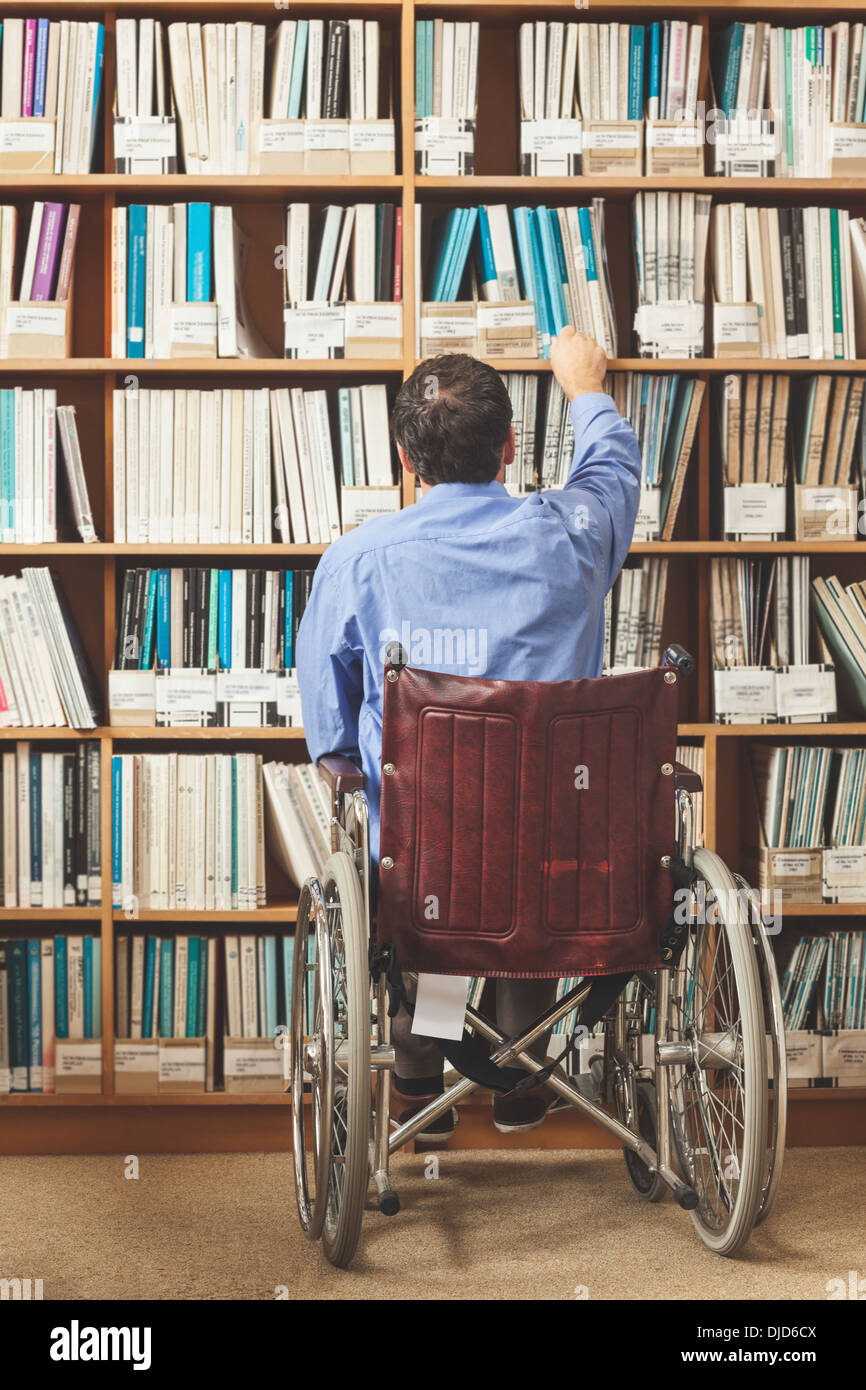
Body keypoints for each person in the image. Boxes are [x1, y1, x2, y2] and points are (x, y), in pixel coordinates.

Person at [297, 328, 642, 1141]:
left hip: (426, 867)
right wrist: (585, 386)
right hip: (563, 863)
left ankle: (421, 1071)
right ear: (512, 448)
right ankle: (521, 1072)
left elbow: (333, 739)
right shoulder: (573, 536)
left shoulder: (355, 562)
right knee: (529, 853)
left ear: (406, 459)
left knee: (444, 853)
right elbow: (615, 474)